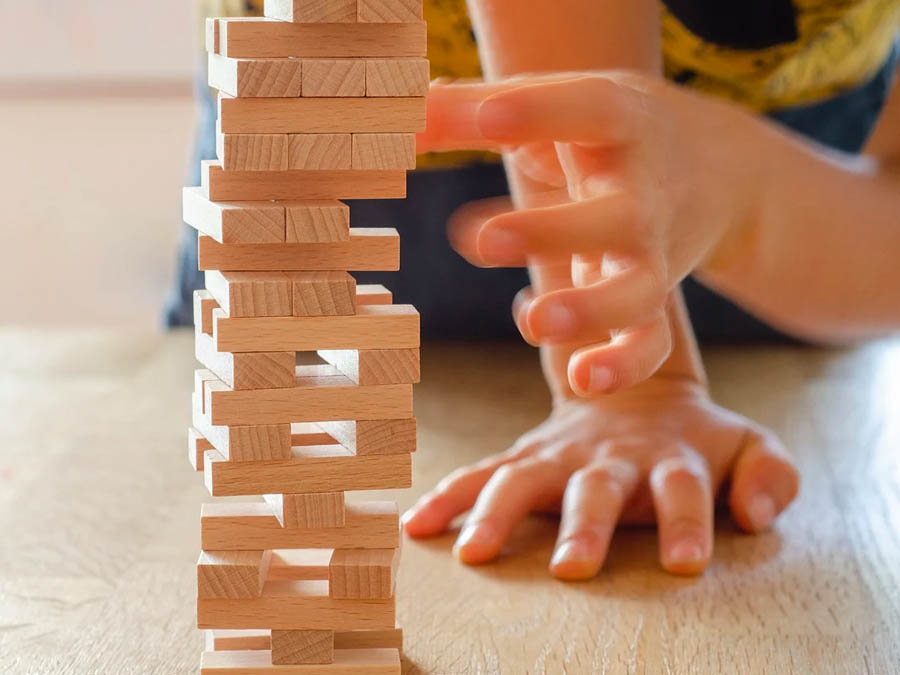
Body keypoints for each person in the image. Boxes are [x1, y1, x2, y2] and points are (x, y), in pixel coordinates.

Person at [168, 1, 899, 577]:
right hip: (339, 146)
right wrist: (635, 386)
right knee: (278, 469)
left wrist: (750, 205)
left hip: (795, 183)